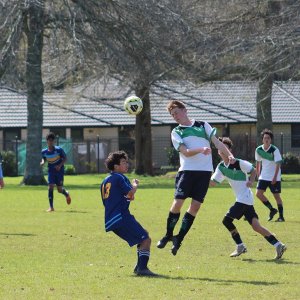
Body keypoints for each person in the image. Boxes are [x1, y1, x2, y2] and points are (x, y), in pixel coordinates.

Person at [157, 100, 235, 256]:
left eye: (177, 113)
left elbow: (217, 143)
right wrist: (201, 149)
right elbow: (185, 152)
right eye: (172, 115)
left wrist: (230, 155)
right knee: (178, 203)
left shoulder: (202, 124)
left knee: (195, 207)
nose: (175, 117)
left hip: (204, 172)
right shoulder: (176, 132)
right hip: (187, 171)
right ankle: (168, 235)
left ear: (185, 110)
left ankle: (179, 238)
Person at [210, 137, 286, 259]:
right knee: (257, 227)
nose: (222, 149)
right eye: (220, 147)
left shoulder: (238, 162)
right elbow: (213, 183)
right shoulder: (221, 167)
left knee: (226, 220)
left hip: (244, 198)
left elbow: (253, 170)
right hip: (244, 199)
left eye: (225, 147)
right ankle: (278, 245)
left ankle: (240, 245)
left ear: (229, 149)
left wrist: (251, 181)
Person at [100, 150, 157, 276]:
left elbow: (113, 200)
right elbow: (131, 193)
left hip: (111, 219)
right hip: (121, 217)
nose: (127, 165)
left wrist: (128, 196)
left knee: (143, 236)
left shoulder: (105, 181)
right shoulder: (120, 177)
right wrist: (134, 185)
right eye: (123, 162)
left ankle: (139, 267)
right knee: (145, 239)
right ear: (115, 166)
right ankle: (142, 269)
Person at [255, 128, 285, 222]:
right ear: (262, 139)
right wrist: (258, 174)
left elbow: (278, 164)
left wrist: (275, 177)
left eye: (268, 138)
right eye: (265, 138)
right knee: (258, 194)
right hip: (263, 176)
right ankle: (272, 209)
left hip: (274, 177)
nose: (266, 139)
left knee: (276, 196)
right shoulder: (258, 149)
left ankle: (281, 217)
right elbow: (258, 163)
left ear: (270, 140)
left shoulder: (274, 150)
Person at [40, 132, 71, 212]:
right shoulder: (44, 151)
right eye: (49, 140)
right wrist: (43, 162)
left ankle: (66, 194)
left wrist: (60, 165)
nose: (50, 142)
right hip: (51, 171)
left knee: (59, 190)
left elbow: (65, 158)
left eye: (52, 140)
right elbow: (44, 158)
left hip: (59, 171)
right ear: (46, 141)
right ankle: (51, 207)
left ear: (54, 141)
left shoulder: (59, 150)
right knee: (50, 186)